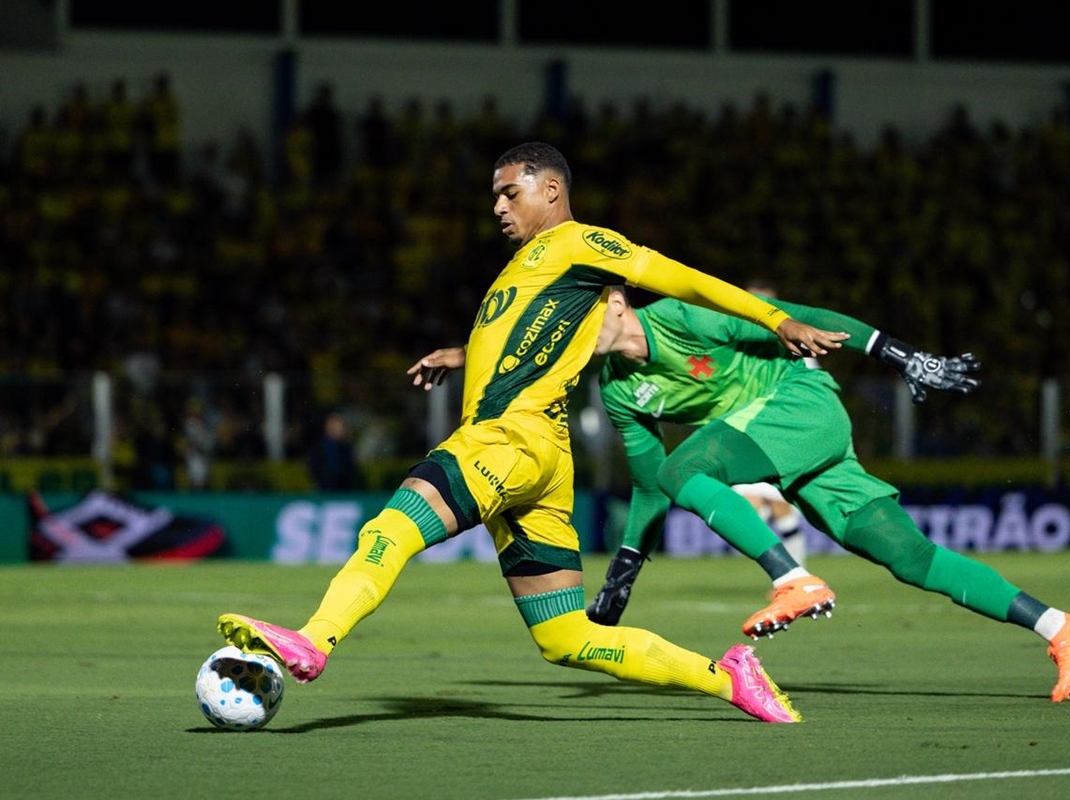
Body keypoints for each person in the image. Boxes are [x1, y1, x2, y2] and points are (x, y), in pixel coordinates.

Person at [216, 141, 851, 723]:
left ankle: (315, 639)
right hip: (539, 461)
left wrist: (775, 318)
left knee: (392, 526)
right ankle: (731, 678)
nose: (497, 206)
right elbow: (539, 339)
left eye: (507, 192)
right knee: (566, 638)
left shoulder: (580, 243)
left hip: (507, 441)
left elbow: (679, 276)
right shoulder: (537, 267)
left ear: (550, 190)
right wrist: (463, 355)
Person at [582, 284, 1070, 703]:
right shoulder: (617, 389)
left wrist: (900, 355)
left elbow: (795, 314)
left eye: (583, 322)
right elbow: (650, 485)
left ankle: (794, 580)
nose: (574, 338)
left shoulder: (683, 315)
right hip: (788, 452)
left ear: (620, 303)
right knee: (910, 557)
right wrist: (623, 573)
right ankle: (1061, 626)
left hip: (797, 404)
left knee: (686, 468)